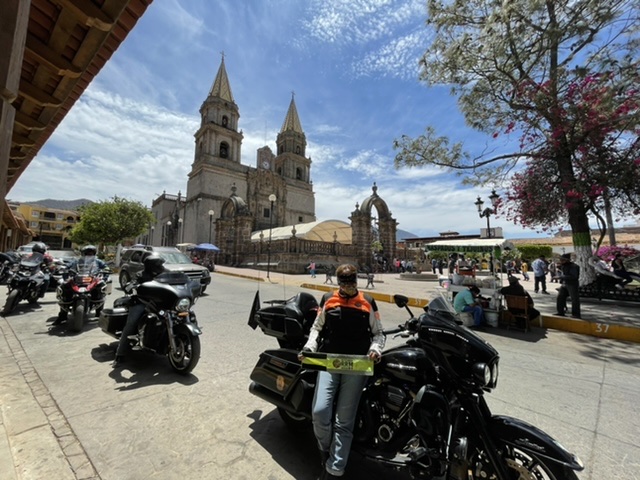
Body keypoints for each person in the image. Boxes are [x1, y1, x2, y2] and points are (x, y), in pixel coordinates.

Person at [298, 264, 385, 479]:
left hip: (356, 366)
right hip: (331, 362)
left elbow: (378, 334)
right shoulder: (328, 299)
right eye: (344, 281)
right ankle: (325, 452)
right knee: (319, 412)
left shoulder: (368, 302)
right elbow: (317, 327)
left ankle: (334, 469)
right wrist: (310, 346)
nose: (348, 285)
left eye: (351, 280)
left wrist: (375, 350)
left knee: (343, 421)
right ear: (338, 282)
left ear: (357, 280)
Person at [112, 254, 166, 368]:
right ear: (151, 265)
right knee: (131, 324)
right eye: (158, 264)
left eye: (161, 264)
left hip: (160, 302)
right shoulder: (141, 274)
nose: (161, 266)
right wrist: (131, 286)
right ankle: (120, 355)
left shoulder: (165, 273)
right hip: (142, 302)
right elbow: (131, 283)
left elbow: (176, 280)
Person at [54, 245, 108, 324]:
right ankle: (62, 315)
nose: (89, 255)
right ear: (83, 254)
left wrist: (106, 270)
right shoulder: (77, 261)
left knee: (100, 286)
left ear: (94, 253)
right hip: (77, 279)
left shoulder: (97, 261)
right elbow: (68, 265)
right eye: (87, 253)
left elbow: (105, 267)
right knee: (65, 287)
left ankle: (99, 312)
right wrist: (64, 267)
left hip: (92, 279)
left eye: (91, 253)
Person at [556, 253, 581, 319]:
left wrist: (560, 277)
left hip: (572, 284)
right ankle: (560, 311)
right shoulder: (564, 266)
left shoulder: (574, 266)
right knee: (560, 297)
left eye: (562, 260)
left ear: (567, 260)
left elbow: (574, 276)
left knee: (574, 299)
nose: (561, 261)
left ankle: (576, 314)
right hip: (564, 284)